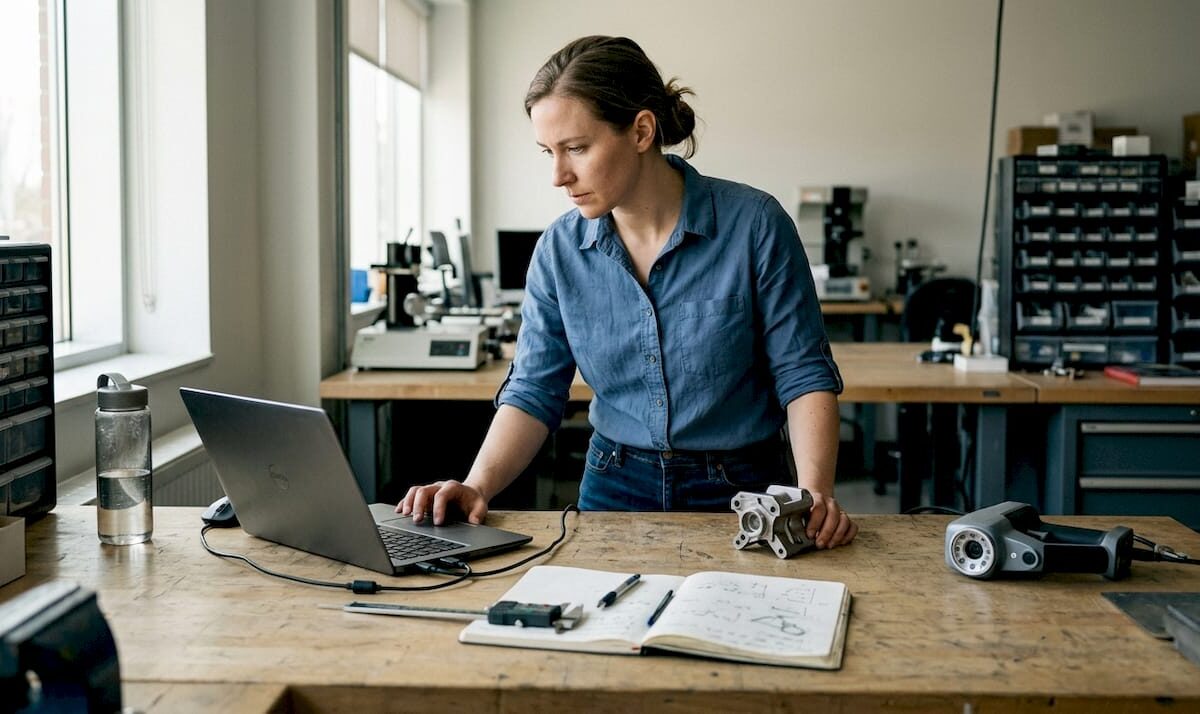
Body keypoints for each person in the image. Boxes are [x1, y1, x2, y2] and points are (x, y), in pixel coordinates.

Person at [398, 35, 857, 549]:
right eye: (549, 152)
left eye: (576, 148)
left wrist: (813, 493)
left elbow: (802, 373)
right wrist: (477, 485)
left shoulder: (755, 225)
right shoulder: (559, 250)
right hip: (613, 483)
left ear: (641, 131)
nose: (558, 176)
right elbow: (534, 389)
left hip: (743, 489)